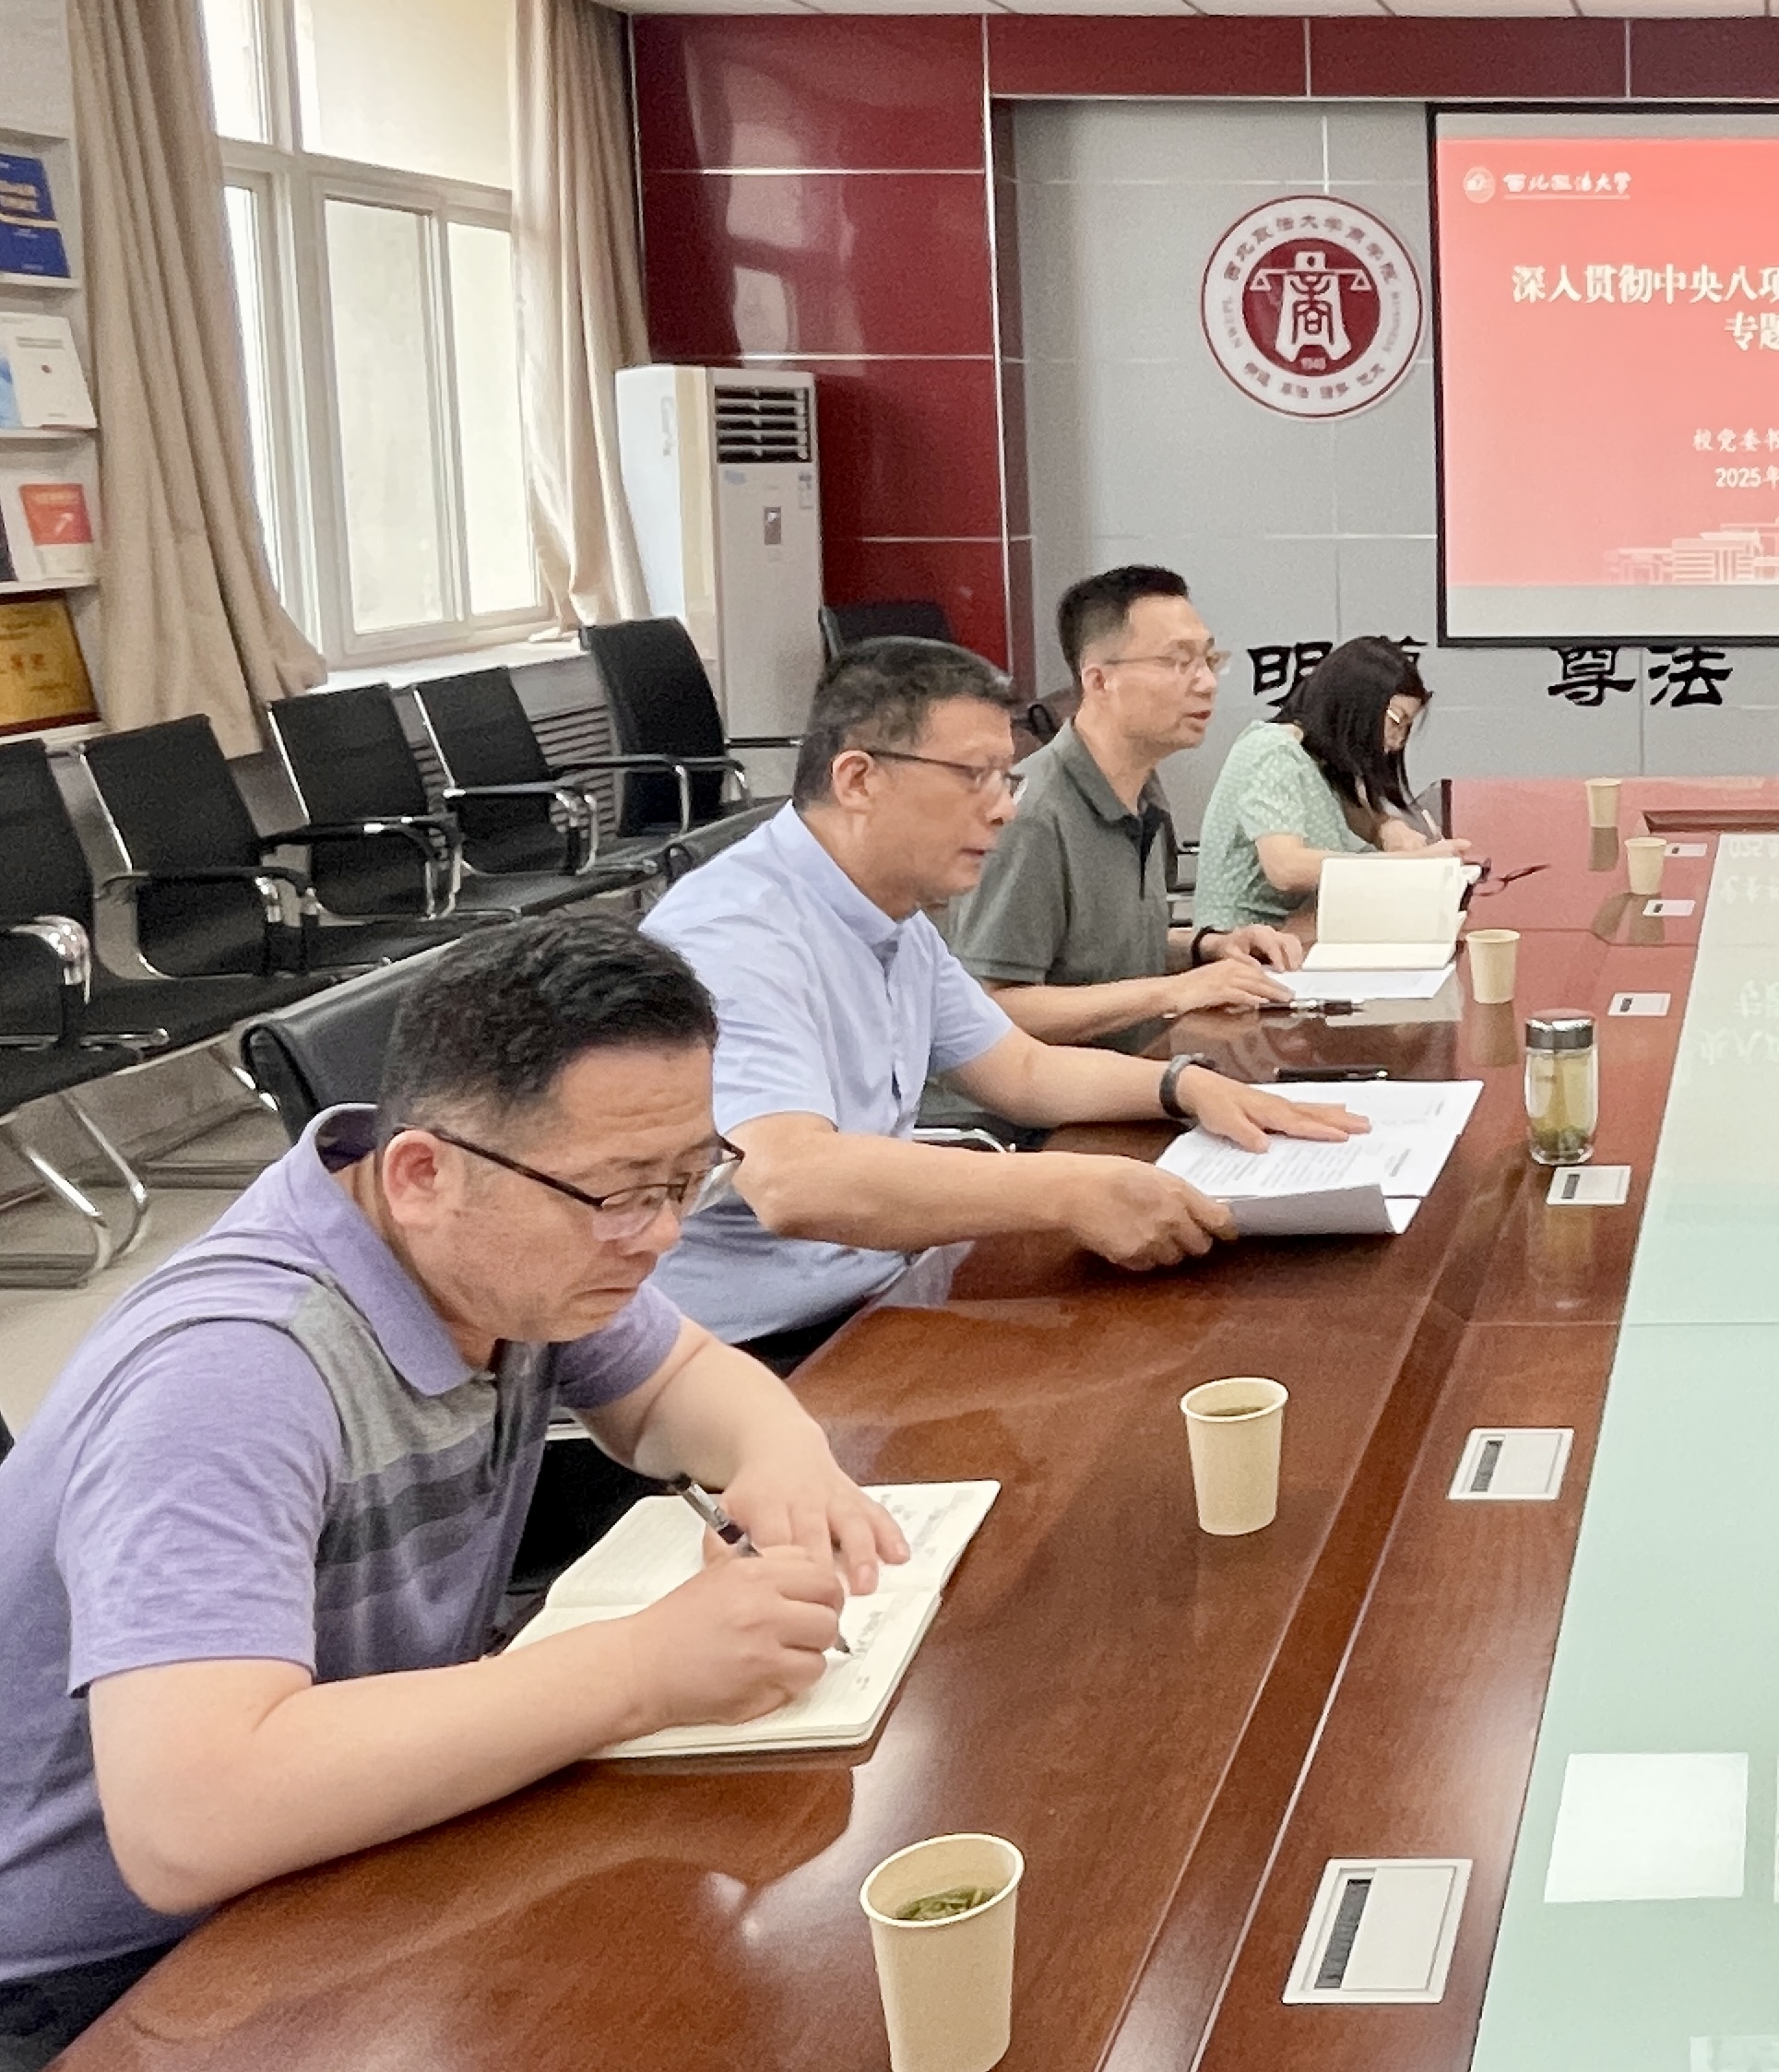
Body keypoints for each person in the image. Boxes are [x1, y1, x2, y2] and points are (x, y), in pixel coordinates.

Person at [0, 923, 899, 2068]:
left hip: (347, 1842)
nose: (663, 1237)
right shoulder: (231, 1375)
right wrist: (641, 1668)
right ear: (423, 1174)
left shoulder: (513, 1248)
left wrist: (783, 1456)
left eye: (689, 1179)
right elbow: (190, 1819)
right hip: (108, 1981)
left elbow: (677, 1380)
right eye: (628, 1193)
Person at [644, 638, 1358, 1358]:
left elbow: (1021, 1071)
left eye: (1005, 777)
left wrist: (1186, 1086)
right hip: (755, 1351)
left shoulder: (890, 912)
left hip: (881, 1291)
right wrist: (1066, 1189)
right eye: (973, 777)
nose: (1005, 809)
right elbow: (793, 1181)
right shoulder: (733, 935)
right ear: (859, 779)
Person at [953, 566, 1303, 1049]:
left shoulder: (1141, 794)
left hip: (1143, 1070)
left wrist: (1208, 948)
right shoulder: (1030, 816)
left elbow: (1097, 959)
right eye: (1178, 661)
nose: (1206, 683)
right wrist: (1174, 992)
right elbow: (991, 1008)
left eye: (1208, 659)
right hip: (1066, 1096)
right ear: (1099, 681)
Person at [1194, 636, 1471, 934]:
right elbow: (1286, 867)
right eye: (1396, 721)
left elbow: (1367, 823)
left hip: (1294, 937)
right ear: (1357, 704)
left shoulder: (1322, 762)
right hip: (1243, 945)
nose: (1397, 742)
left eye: (1406, 728)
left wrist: (1390, 830)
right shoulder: (1273, 750)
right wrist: (1406, 863)